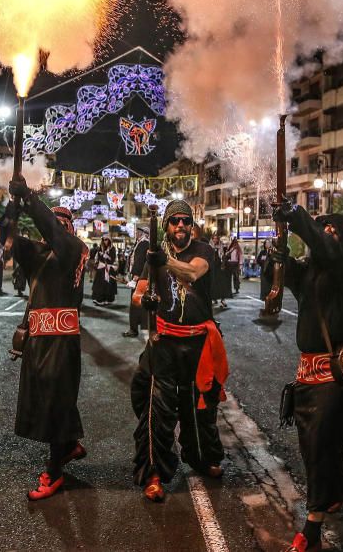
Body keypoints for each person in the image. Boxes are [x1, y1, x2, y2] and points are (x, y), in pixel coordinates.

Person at [271, 202, 343, 552]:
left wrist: (297, 215)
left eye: (332, 230)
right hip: (307, 369)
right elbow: (282, 282)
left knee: (321, 443)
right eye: (321, 228)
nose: (324, 234)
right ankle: (340, 485)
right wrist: (278, 252)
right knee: (315, 445)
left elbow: (326, 249)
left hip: (338, 369)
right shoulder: (314, 269)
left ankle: (311, 529)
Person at [129, 200, 228, 503]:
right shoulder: (152, 257)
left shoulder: (203, 251)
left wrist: (163, 261)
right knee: (156, 410)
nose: (181, 226)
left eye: (186, 220)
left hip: (199, 344)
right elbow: (138, 293)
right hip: (165, 343)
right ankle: (154, 474)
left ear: (192, 224)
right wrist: (143, 301)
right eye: (175, 222)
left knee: (201, 407)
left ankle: (201, 457)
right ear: (168, 226)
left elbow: (192, 274)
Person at [2, 177, 90, 501]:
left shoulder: (74, 249)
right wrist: (13, 205)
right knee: (46, 399)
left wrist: (31, 199)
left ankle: (54, 473)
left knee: (55, 402)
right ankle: (68, 445)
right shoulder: (38, 253)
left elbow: (54, 232)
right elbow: (10, 239)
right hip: (38, 340)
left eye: (64, 222)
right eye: (57, 222)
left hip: (62, 340)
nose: (59, 227)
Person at [124, 226, 150, 338]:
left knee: (135, 303)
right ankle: (143, 326)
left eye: (137, 232)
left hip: (139, 278)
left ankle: (133, 329)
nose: (135, 233)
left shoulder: (143, 243)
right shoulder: (141, 243)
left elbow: (139, 260)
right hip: (142, 277)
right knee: (141, 302)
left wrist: (135, 277)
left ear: (142, 233)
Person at [92, 236, 118, 306]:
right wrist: (101, 256)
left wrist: (107, 256)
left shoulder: (112, 248)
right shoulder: (101, 248)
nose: (104, 241)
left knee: (108, 285)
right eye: (103, 240)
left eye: (106, 239)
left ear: (109, 240)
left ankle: (108, 299)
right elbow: (98, 257)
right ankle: (99, 299)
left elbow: (113, 259)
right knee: (99, 284)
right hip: (101, 268)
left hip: (108, 268)